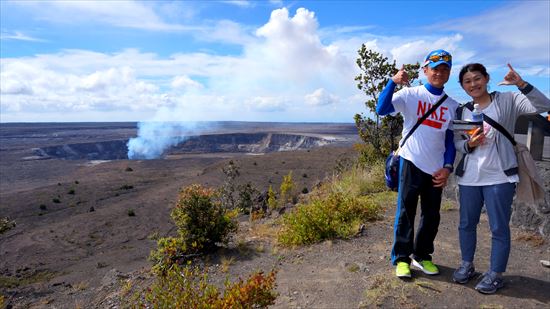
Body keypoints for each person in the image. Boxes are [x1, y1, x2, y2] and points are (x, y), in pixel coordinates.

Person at [452, 63, 550, 294]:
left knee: (498, 227)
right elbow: (457, 142)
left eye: (477, 78)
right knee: (466, 224)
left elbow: (544, 106)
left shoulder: (508, 100)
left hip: (499, 176)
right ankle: (467, 264)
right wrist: (468, 144)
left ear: (486, 78)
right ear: (463, 86)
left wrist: (521, 84)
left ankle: (495, 274)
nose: (473, 84)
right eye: (467, 81)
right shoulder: (462, 110)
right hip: (469, 178)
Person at [376, 49, 458, 278]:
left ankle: (422, 256)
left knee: (432, 216)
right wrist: (392, 82)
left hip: (436, 169)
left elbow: (450, 140)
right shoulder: (411, 94)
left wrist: (448, 167)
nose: (439, 73)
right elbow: (381, 109)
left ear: (449, 72)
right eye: (435, 68)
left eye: (444, 69)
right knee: (406, 213)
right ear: (425, 70)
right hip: (410, 162)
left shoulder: (452, 105)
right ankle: (402, 259)